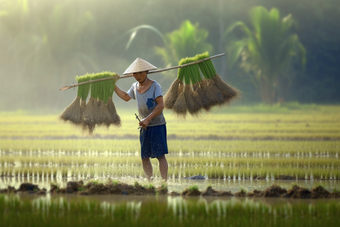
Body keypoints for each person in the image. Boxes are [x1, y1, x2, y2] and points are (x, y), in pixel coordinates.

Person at [114, 57, 168, 181]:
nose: (137, 76)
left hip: (157, 125)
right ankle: (150, 182)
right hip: (144, 126)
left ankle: (165, 182)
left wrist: (148, 119)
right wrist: (113, 85)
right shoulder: (135, 86)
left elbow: (161, 105)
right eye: (135, 73)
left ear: (146, 72)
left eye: (140, 73)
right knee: (144, 156)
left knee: (160, 155)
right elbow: (126, 97)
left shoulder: (155, 86)